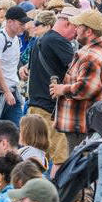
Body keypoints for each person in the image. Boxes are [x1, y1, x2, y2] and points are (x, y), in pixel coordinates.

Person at [49, 9, 102, 152]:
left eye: (79, 26)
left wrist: (61, 89)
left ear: (89, 32)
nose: (76, 29)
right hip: (93, 124)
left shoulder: (90, 56)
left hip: (82, 126)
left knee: (79, 169)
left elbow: (84, 89)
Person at [26, 9, 76, 166]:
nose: (77, 34)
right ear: (68, 24)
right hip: (50, 109)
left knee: (37, 159)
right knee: (61, 159)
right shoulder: (58, 41)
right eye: (77, 28)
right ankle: (59, 190)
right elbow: (77, 69)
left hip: (35, 106)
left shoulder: (40, 40)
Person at [0, 7, 29, 124]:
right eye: (21, 24)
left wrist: (21, 68)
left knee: (16, 131)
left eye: (24, 24)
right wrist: (6, 91)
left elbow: (11, 62)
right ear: (10, 22)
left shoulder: (16, 39)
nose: (24, 27)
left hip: (12, 91)